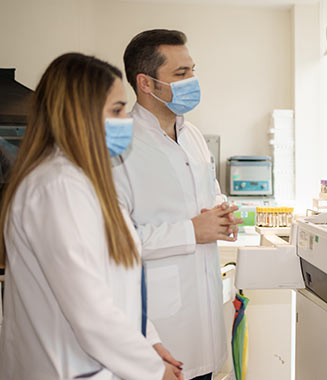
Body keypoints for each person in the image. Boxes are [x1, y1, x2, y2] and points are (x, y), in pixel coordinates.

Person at [0, 53, 182, 380]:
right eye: (116, 110)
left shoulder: (86, 182)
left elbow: (116, 283)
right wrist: (156, 371)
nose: (126, 118)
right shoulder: (57, 188)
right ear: (77, 115)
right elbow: (90, 312)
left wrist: (148, 340)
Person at [114, 29, 242, 380]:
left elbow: (209, 192)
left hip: (205, 323)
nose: (192, 81)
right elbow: (113, 242)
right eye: (181, 74)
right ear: (146, 83)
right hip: (159, 327)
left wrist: (221, 212)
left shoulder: (194, 135)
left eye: (193, 71)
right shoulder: (121, 146)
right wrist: (190, 231)